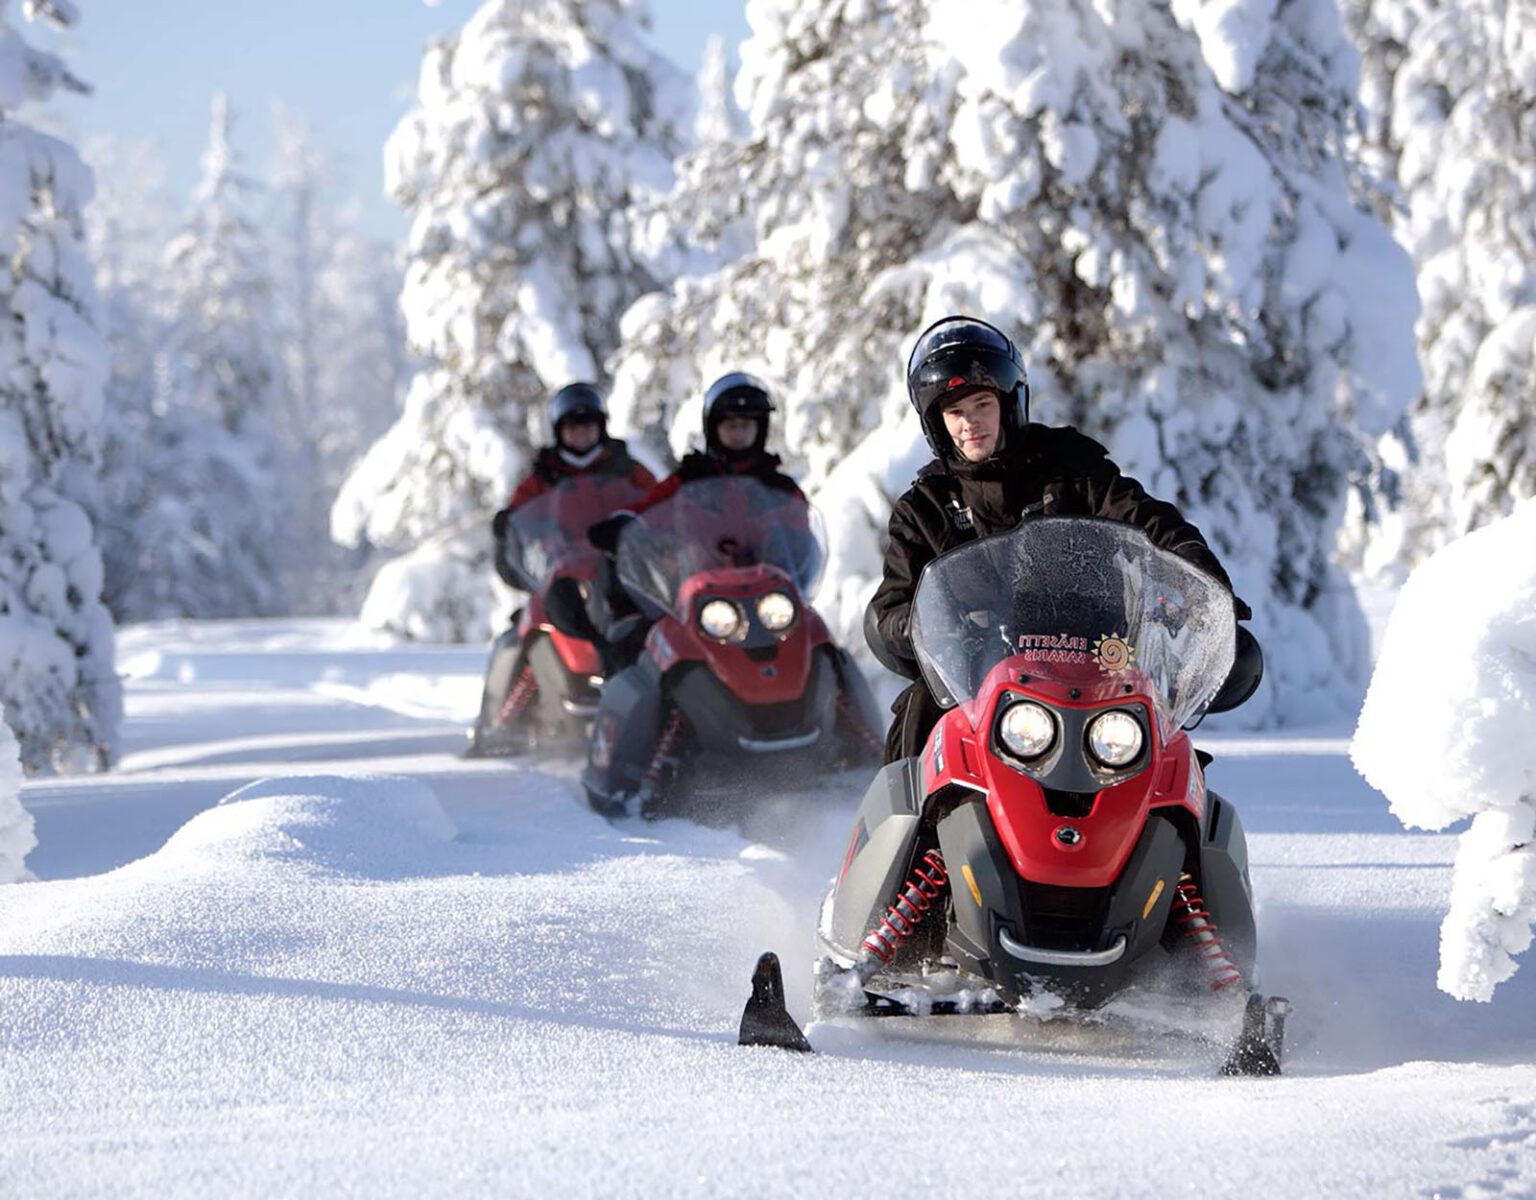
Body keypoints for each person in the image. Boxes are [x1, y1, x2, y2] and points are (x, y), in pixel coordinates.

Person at [865, 316, 1262, 762]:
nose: (970, 423)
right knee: (917, 725)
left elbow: (1148, 520)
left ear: (1008, 402)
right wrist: (928, 628)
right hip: (975, 679)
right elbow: (891, 606)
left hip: (1098, 664)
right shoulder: (924, 506)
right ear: (937, 422)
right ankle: (906, 831)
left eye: (981, 405)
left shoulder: (1071, 467)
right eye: (955, 412)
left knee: (1170, 757)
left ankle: (1185, 829)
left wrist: (1202, 587)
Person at [586, 372, 803, 669]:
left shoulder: (779, 487)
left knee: (821, 643)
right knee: (647, 651)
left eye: (746, 426)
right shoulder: (690, 478)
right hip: (699, 597)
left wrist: (794, 546)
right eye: (730, 426)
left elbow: (803, 535)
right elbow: (649, 508)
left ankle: (849, 708)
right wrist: (624, 524)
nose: (738, 434)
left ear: (760, 429)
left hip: (770, 599)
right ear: (714, 429)